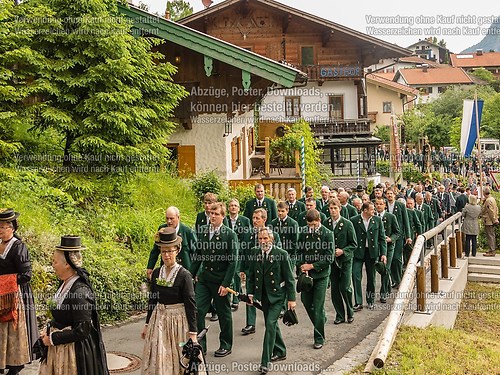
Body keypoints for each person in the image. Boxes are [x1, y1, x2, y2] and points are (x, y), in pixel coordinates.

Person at [39, 235, 108, 375]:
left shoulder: (80, 292)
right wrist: (49, 329)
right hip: (59, 349)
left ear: (67, 264)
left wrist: (52, 338)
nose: (53, 265)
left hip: (73, 354)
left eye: (55, 261)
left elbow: (82, 330)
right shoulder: (64, 284)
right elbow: (64, 314)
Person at [141, 227, 201, 375]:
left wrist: (193, 333)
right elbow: (152, 300)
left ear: (177, 250)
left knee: (179, 357)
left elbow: (190, 304)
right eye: (163, 251)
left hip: (178, 323)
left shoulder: (184, 275)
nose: (166, 255)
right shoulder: (156, 273)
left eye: (170, 251)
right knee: (158, 356)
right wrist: (147, 324)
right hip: (159, 321)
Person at [190, 202, 238, 357]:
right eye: (211, 213)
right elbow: (198, 256)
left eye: (216, 214)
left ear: (223, 216)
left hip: (220, 280)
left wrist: (225, 284)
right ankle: (200, 345)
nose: (213, 216)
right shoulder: (203, 231)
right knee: (198, 310)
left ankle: (226, 344)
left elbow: (232, 262)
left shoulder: (229, 234)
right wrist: (188, 275)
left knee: (223, 314)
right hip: (204, 279)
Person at [247, 228, 296, 375]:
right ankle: (280, 351)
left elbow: (289, 279)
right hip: (263, 296)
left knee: (269, 324)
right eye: (260, 239)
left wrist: (292, 299)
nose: (263, 242)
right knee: (272, 323)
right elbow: (251, 275)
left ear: (272, 239)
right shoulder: (255, 252)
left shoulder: (281, 254)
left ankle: (265, 362)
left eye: (265, 239)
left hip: (278, 296)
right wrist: (250, 293)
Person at [0, 209, 39, 375]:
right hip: (0, 294)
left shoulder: (18, 247)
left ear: (12, 228)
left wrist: (4, 282)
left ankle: (16, 365)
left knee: (13, 330)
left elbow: (27, 275)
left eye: (2, 227)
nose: (0, 230)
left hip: (15, 295)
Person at [296, 209, 334, 349]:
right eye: (308, 224)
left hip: (321, 275)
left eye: (313, 224)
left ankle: (319, 337)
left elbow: (329, 257)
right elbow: (298, 251)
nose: (311, 227)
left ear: (319, 221)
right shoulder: (304, 232)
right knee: (305, 301)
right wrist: (300, 265)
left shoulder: (327, 234)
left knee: (318, 307)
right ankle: (320, 321)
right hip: (306, 275)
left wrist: (312, 266)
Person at [323, 199, 357, 324]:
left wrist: (343, 251)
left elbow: (353, 244)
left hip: (345, 260)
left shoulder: (347, 224)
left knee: (345, 287)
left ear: (340, 209)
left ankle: (350, 311)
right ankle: (340, 314)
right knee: (335, 289)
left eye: (335, 208)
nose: (333, 211)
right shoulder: (326, 223)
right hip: (332, 261)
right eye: (331, 208)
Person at [350, 202, 387, 310]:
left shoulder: (377, 220)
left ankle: (370, 301)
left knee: (371, 277)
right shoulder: (354, 220)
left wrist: (383, 253)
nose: (374, 211)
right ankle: (358, 302)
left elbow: (382, 238)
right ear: (365, 210)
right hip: (358, 252)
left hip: (372, 253)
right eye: (371, 209)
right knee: (355, 275)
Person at [146, 206, 197, 279]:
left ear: (178, 218)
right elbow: (155, 250)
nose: (169, 221)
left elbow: (196, 253)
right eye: (167, 218)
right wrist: (150, 267)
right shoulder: (162, 229)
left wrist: (195, 272)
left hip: (184, 271)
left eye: (171, 218)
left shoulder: (188, 232)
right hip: (166, 270)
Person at [481, 187, 499, 257]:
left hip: (489, 220)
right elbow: (496, 209)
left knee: (490, 235)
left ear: (484, 193)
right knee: (491, 235)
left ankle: (492, 250)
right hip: (491, 219)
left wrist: (494, 219)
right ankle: (491, 249)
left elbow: (490, 211)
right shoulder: (492, 199)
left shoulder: (488, 200)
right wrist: (496, 217)